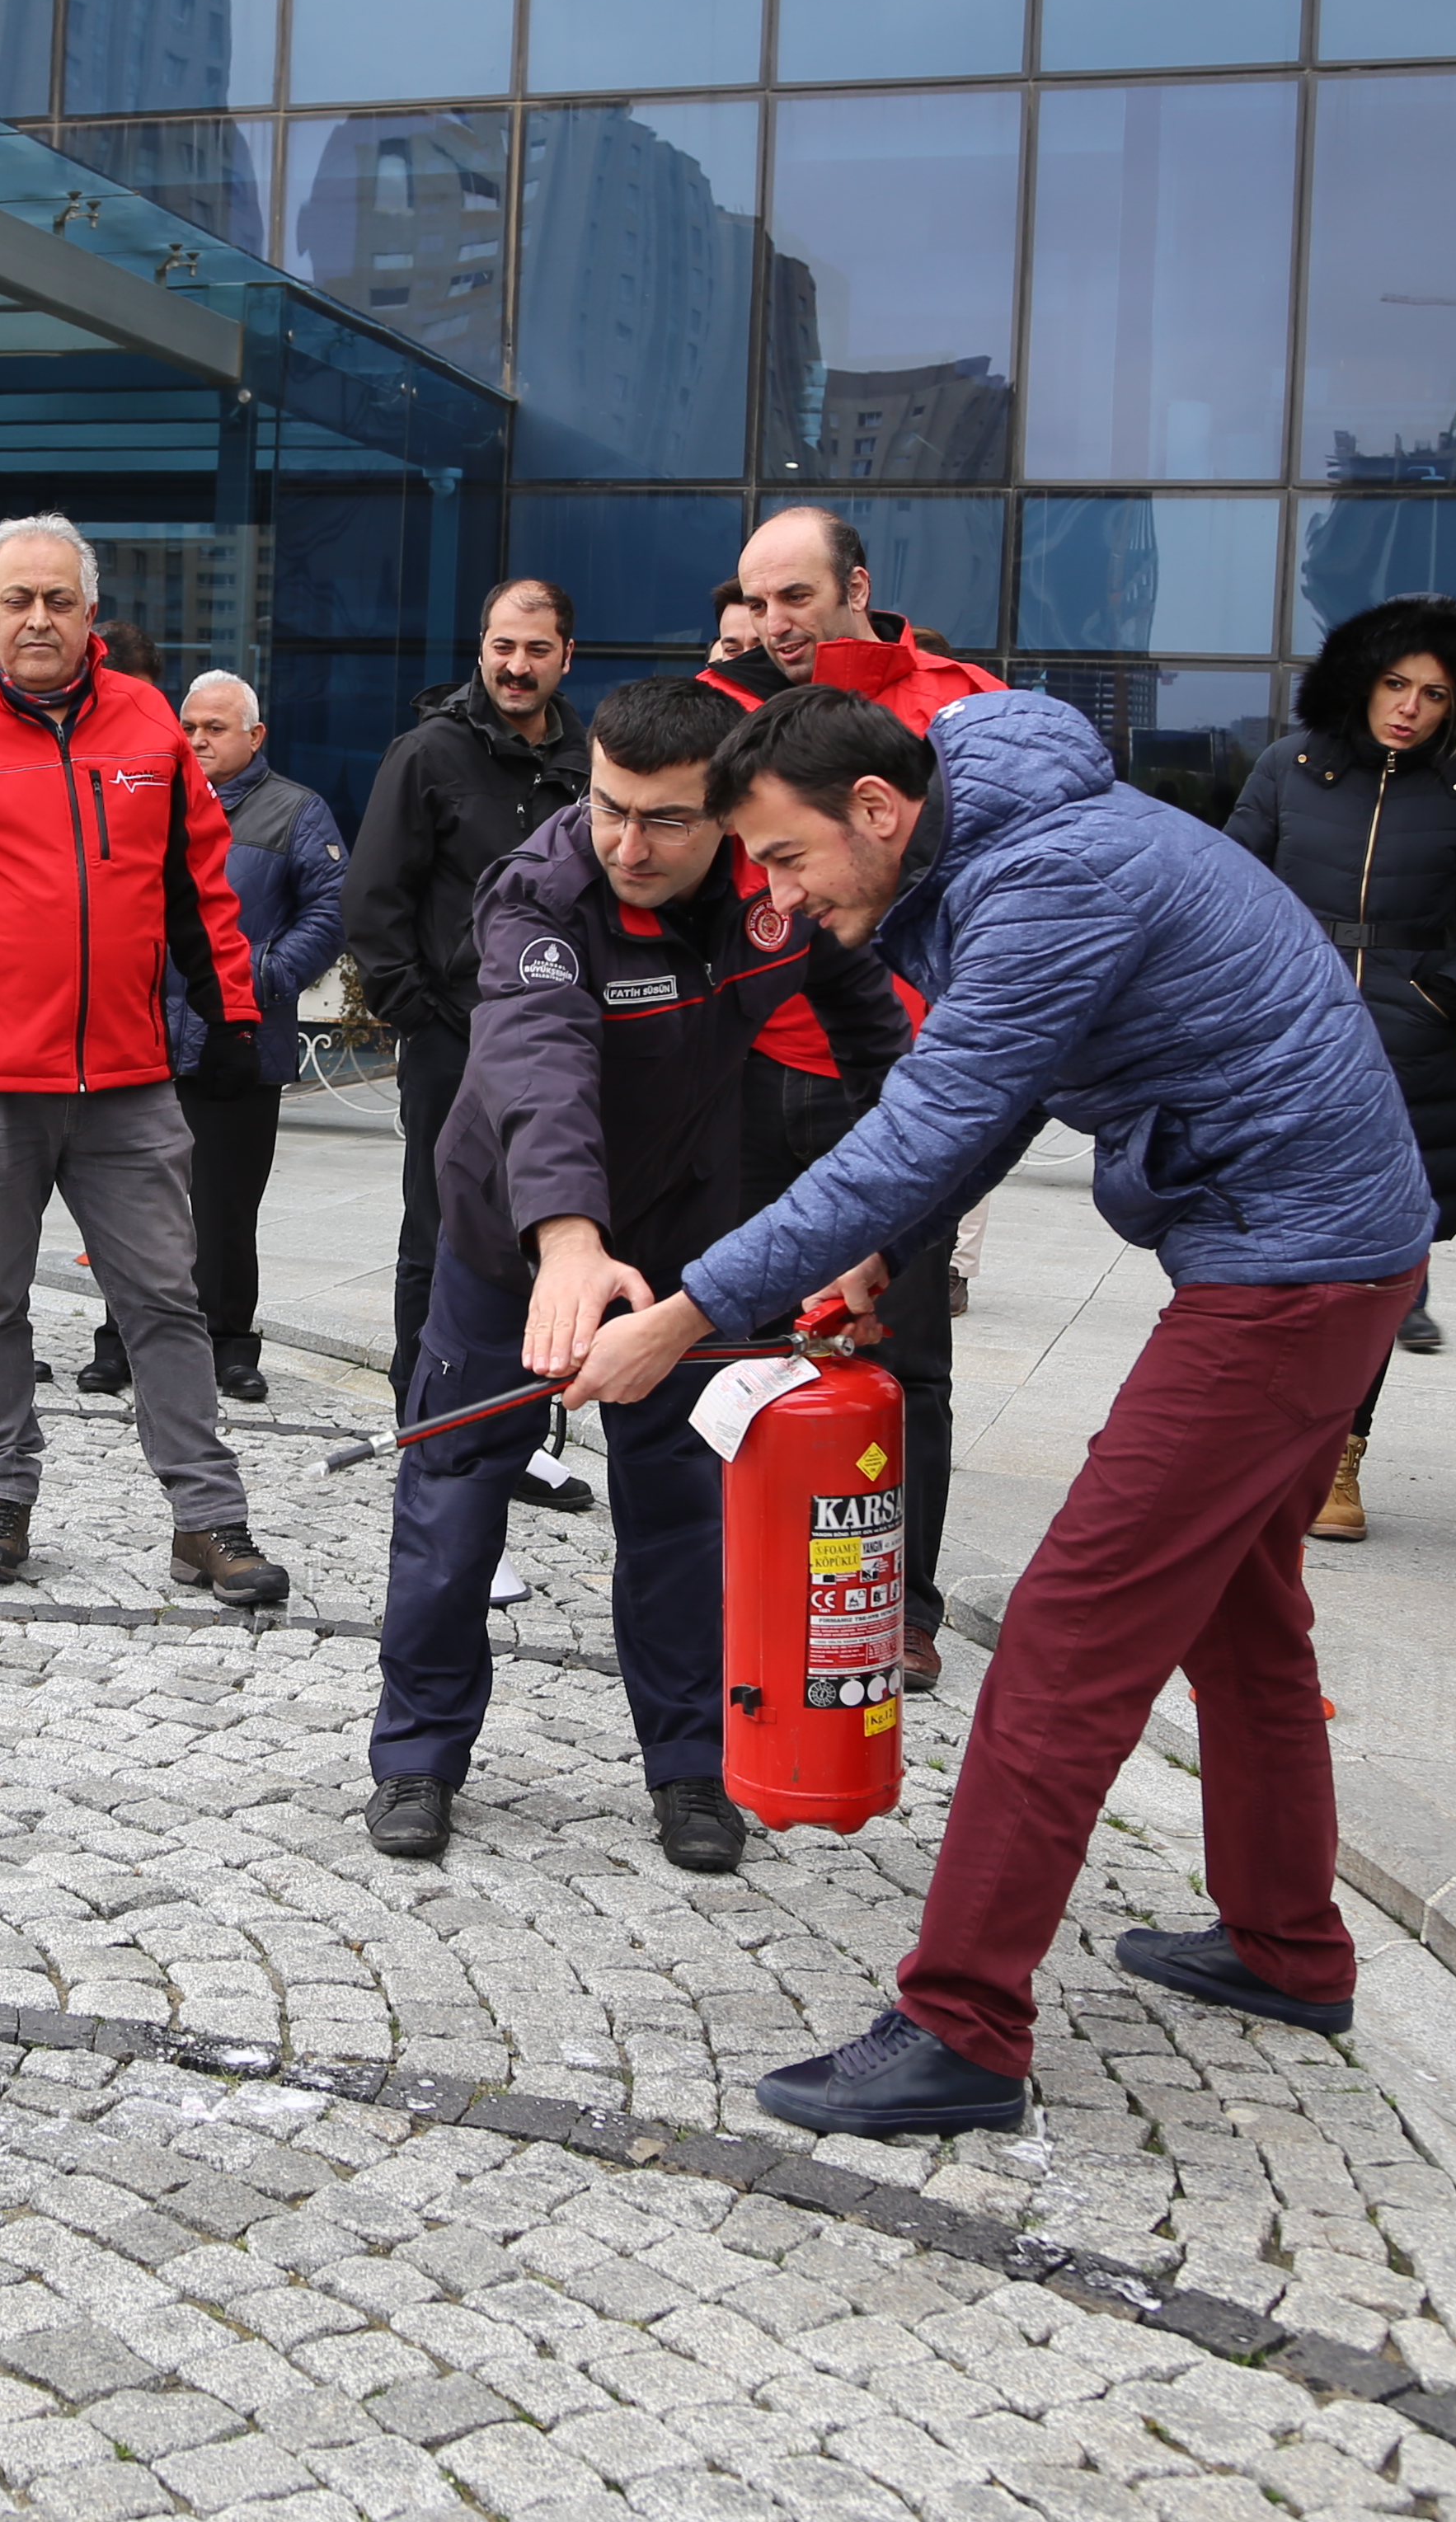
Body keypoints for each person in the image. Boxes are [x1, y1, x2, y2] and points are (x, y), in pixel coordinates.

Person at [571, 683, 1430, 2137]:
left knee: (1064, 1633)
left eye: (784, 862)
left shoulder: (1047, 875)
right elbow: (986, 1091)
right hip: (1317, 1246)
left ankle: (961, 2022)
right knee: (1243, 1611)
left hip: (1291, 1268)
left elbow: (938, 1114)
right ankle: (1288, 1942)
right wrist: (879, 1248)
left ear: (878, 811)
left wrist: (686, 1310)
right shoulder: (1012, 846)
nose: (773, 902)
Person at [368, 678, 906, 1877]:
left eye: (664, 821)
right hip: (511, 1240)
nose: (627, 843)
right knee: (453, 1498)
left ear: (725, 814)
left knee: (684, 1519)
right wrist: (563, 1237)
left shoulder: (781, 893)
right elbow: (537, 1063)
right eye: (608, 808)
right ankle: (415, 1757)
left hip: (686, 1247)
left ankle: (692, 1767)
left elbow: (886, 1045)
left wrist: (886, 1223)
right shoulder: (539, 894)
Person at [0, 514, 285, 1606]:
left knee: (167, 1300)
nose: (39, 619)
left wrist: (234, 1011)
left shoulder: (151, 730)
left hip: (127, 1079)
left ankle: (207, 1521)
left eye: (59, 600)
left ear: (90, 614)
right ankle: (0, 1497)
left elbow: (200, 888)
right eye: (19, 600)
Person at [702, 504, 998, 1687]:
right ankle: (743, 1574)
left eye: (798, 601)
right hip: (750, 1067)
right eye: (756, 602)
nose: (775, 626)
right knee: (739, 1331)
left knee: (900, 1357)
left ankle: (899, 1603)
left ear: (856, 585)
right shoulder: (721, 711)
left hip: (903, 1082)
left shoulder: (960, 702)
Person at [1223, 597, 1456, 1539]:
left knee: (1372, 1268)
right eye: (1396, 684)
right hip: (1279, 1038)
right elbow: (1227, 889)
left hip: (1405, 1047)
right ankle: (1250, 1445)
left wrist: (1446, 997)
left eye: (1434, 694)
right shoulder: (1287, 767)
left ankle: (1341, 1455)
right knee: (1257, 1255)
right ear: (1360, 680)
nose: (1410, 708)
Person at [342, 580, 591, 1471]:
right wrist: (423, 1014)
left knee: (550, 1232)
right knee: (441, 1233)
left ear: (567, 656)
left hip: (562, 1045)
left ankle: (521, 1433)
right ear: (481, 647)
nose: (516, 667)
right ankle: (428, 1424)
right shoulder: (428, 754)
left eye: (535, 651)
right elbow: (373, 901)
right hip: (455, 1042)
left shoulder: (592, 761)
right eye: (502, 647)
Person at [80, 670, 345, 1407]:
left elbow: (329, 913)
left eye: (215, 729)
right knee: (132, 1202)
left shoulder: (298, 812)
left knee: (227, 1207)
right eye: (189, 727)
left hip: (241, 1041)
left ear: (255, 736)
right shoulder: (150, 800)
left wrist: (259, 979)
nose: (197, 740)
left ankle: (230, 1345)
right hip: (143, 1037)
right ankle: (122, 1341)